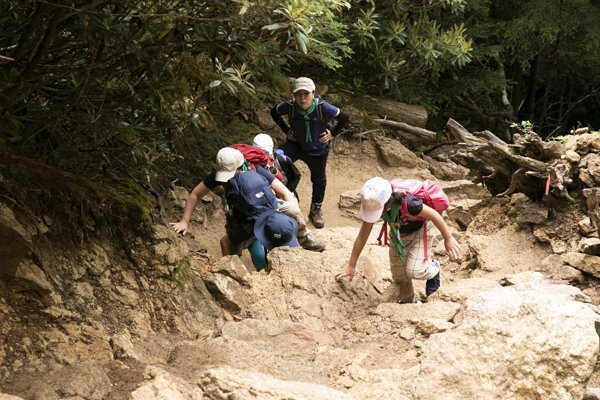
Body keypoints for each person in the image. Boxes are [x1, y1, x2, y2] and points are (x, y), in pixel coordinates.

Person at [170, 147, 324, 256]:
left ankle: (304, 237)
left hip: (266, 205)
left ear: (239, 166)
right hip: (239, 211)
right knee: (231, 245)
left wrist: (285, 219)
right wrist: (185, 221)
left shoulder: (255, 169)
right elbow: (195, 195)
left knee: (294, 210)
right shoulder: (217, 175)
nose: (227, 178)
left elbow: (284, 192)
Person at [333, 177, 462, 304]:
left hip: (420, 230)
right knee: (399, 277)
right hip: (399, 234)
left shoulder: (410, 204)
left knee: (415, 271)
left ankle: (434, 269)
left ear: (389, 202)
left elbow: (434, 215)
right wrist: (351, 265)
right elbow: (362, 237)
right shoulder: (377, 204)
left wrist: (448, 238)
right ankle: (410, 301)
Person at [270, 77, 350, 229]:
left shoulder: (323, 107)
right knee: (276, 162)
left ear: (313, 93)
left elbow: (344, 118)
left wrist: (332, 134)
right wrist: (287, 130)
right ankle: (282, 202)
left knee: (319, 179)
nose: (301, 98)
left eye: (305, 93)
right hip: (294, 146)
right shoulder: (290, 106)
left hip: (317, 150)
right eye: (298, 94)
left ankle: (316, 209)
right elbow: (274, 112)